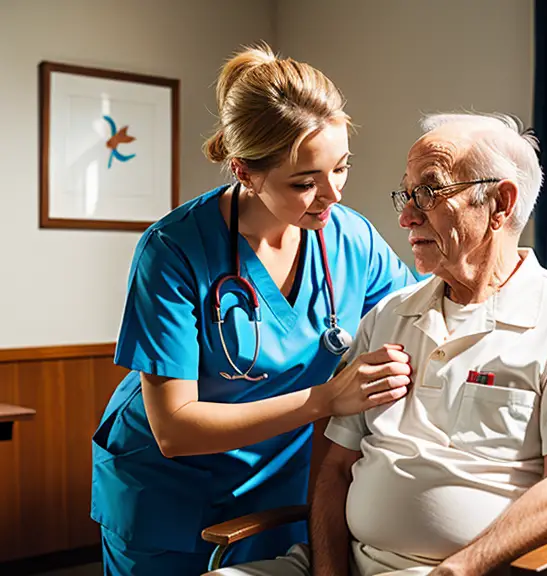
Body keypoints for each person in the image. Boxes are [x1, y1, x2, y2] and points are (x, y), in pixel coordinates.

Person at [205, 113, 547, 576]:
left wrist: (458, 570)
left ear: (500, 203)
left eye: (429, 193)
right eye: (407, 193)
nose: (406, 215)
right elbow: (334, 470)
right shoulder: (389, 314)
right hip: (348, 562)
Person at [90, 42, 416, 576]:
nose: (330, 195)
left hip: (278, 480)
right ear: (243, 171)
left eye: (342, 168)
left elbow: (415, 315)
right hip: (167, 492)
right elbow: (175, 428)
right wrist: (327, 399)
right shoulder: (173, 251)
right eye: (304, 182)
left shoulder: (351, 238)